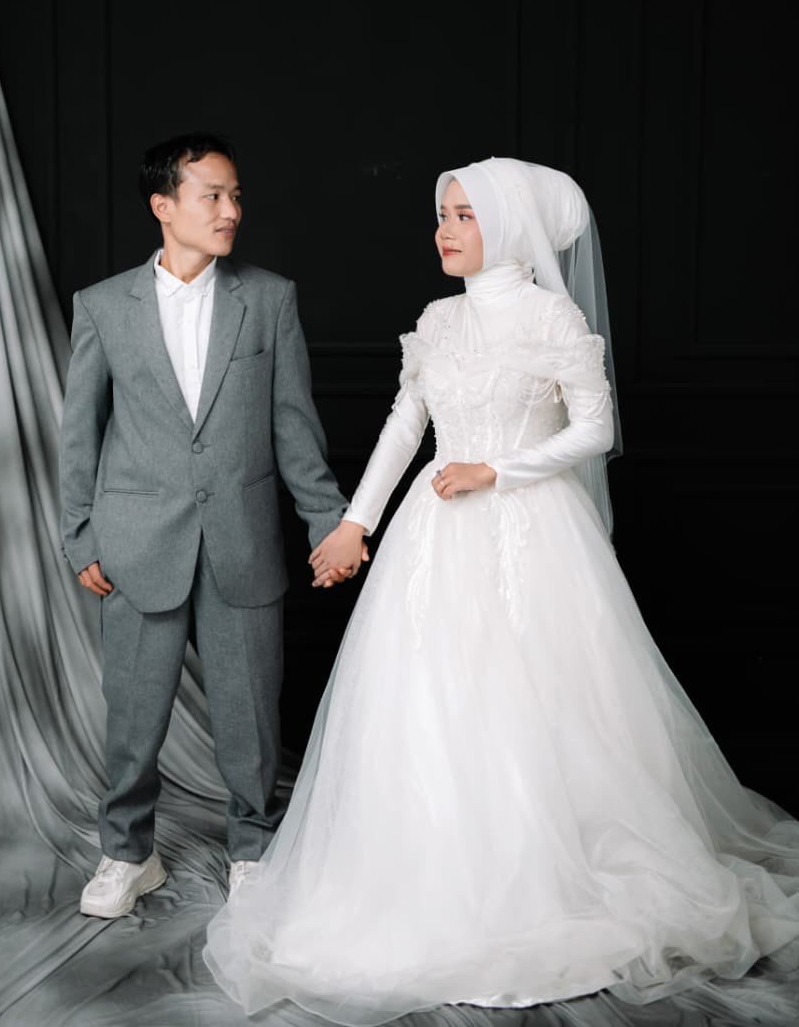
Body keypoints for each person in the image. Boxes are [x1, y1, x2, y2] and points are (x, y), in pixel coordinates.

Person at [204, 157, 799, 1023]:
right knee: (425, 697)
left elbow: (595, 428)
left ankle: (537, 879)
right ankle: (426, 872)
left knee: (534, 699)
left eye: (464, 216)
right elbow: (405, 422)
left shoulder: (552, 318)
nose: (443, 230)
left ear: (511, 228)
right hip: (434, 533)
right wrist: (355, 522)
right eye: (442, 214)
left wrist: (498, 470)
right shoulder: (438, 319)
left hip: (529, 529)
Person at [58, 133, 364, 919]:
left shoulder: (269, 298)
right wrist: (80, 535)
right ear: (164, 206)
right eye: (213, 196)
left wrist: (325, 521)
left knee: (250, 717)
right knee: (132, 718)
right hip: (135, 542)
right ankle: (128, 852)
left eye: (235, 196)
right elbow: (80, 434)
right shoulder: (102, 306)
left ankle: (251, 849)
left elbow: (294, 425)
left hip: (242, 540)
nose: (231, 211)